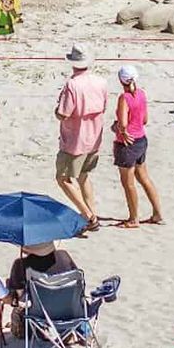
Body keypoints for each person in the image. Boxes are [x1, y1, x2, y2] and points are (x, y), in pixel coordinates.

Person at [55, 43, 107, 230]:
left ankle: (88, 216)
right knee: (84, 176)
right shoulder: (101, 82)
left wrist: (56, 110)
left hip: (75, 140)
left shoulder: (73, 84)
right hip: (94, 137)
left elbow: (63, 113)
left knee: (63, 178)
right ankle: (90, 215)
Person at [112, 65, 163, 228]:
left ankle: (133, 218)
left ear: (121, 81)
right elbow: (145, 120)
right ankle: (157, 213)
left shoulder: (124, 98)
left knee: (129, 184)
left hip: (127, 144)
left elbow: (123, 124)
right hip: (141, 139)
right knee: (144, 178)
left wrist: (116, 127)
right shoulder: (141, 94)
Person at [5, 241, 76, 336]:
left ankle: (27, 331)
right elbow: (76, 280)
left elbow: (20, 297)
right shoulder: (64, 256)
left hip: (38, 315)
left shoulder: (21, 264)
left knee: (18, 307)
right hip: (69, 311)